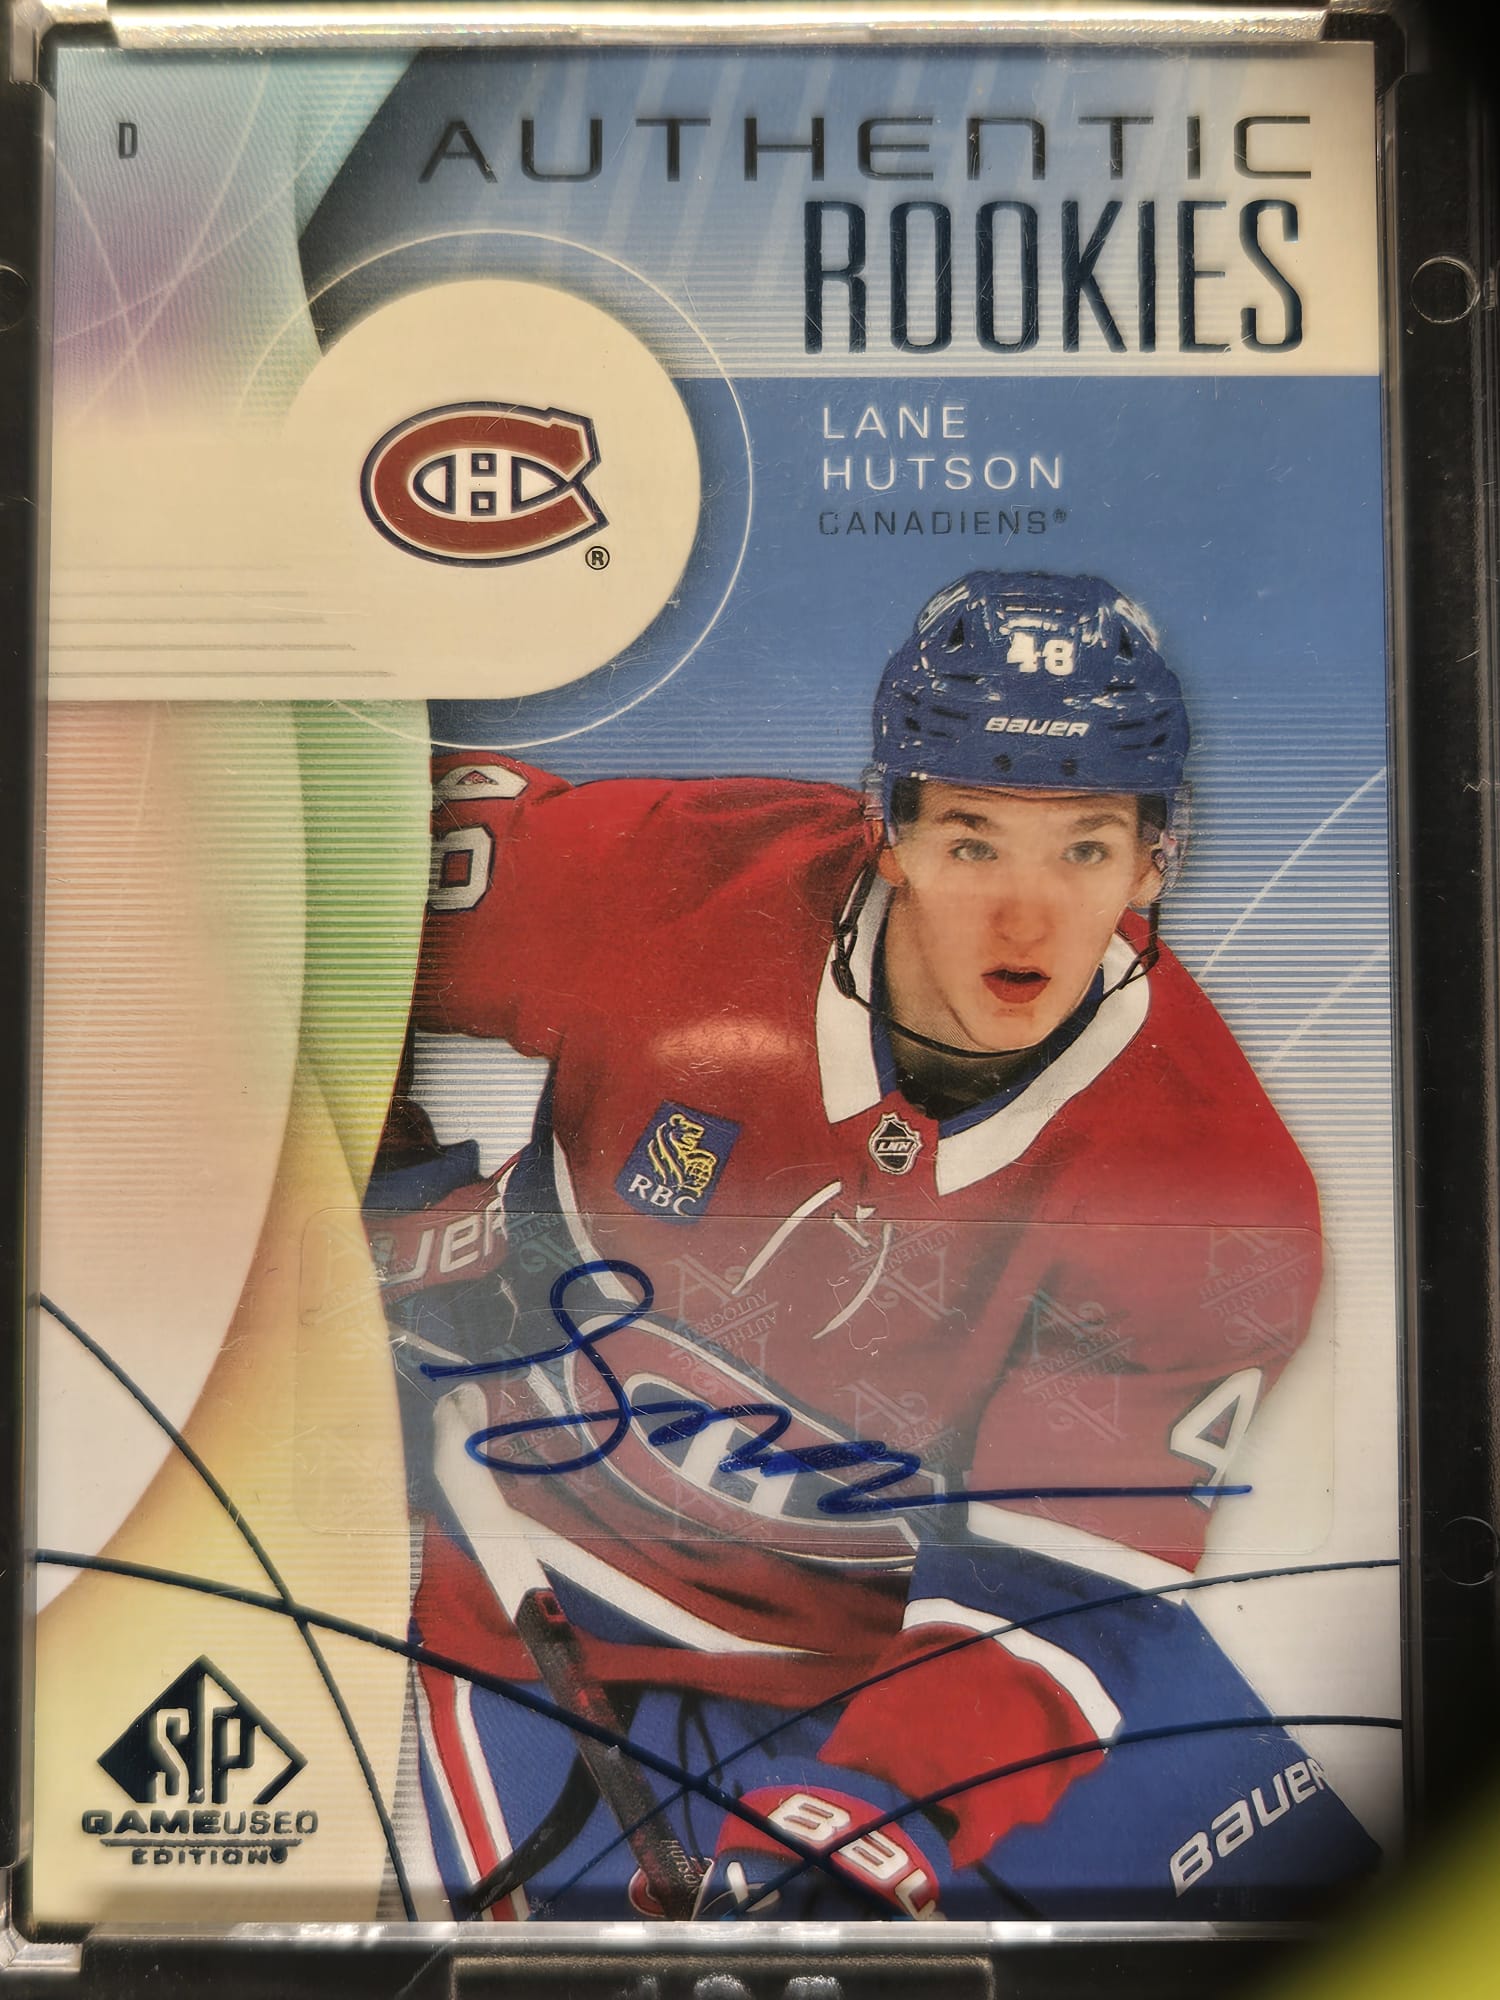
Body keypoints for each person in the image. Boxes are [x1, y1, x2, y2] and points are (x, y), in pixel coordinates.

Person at [368, 570, 1378, 1923]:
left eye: (1083, 849)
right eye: (972, 841)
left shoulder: (1210, 1190)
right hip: (554, 1597)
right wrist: (362, 1182)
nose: (1024, 918)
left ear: (1156, 861)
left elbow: (1054, 1588)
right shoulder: (674, 887)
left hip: (932, 1658)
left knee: (1343, 1946)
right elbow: (300, 854)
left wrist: (879, 1811)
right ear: (887, 829)